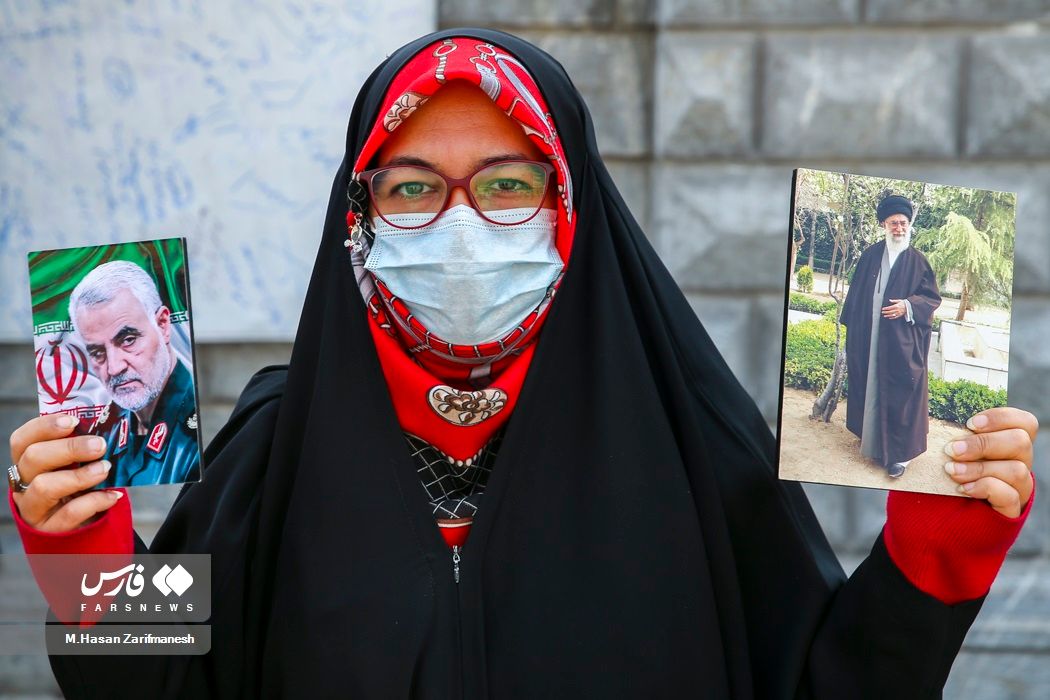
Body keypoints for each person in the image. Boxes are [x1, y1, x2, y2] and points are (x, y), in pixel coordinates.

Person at [6, 28, 1037, 698]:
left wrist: (930, 562)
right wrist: (85, 558)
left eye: (506, 183)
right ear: (356, 220)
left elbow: (828, 689)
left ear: (569, 204)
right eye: (410, 189)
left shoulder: (691, 440)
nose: (458, 223)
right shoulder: (280, 444)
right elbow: (160, 696)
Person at [63, 260, 200, 488]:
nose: (114, 368)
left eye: (128, 340)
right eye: (97, 352)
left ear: (163, 325)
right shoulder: (106, 431)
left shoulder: (197, 437)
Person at [840, 195, 942, 478]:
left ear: (910, 225)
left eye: (904, 223)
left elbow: (932, 298)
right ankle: (872, 442)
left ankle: (900, 456)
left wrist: (907, 306)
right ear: (884, 224)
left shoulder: (918, 261)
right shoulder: (870, 255)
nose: (899, 228)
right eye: (894, 223)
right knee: (869, 384)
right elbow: (856, 295)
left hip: (901, 344)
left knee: (902, 392)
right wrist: (854, 332)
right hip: (870, 341)